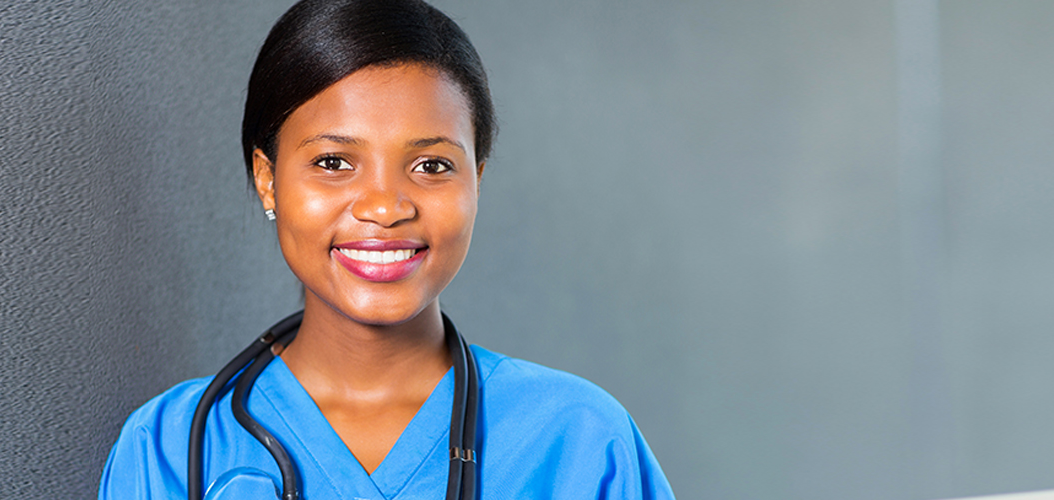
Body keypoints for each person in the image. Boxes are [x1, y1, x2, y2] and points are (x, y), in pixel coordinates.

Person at [99, 0, 675, 498]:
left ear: (476, 180)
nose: (385, 206)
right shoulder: (171, 450)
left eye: (431, 166)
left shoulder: (580, 441)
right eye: (333, 163)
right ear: (268, 179)